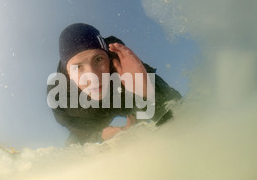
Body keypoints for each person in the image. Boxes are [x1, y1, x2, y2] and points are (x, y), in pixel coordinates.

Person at [47, 23, 182, 145]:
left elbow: (180, 109)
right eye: (78, 67)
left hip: (123, 99)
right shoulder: (61, 96)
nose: (93, 77)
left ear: (109, 58)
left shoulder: (124, 64)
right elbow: (76, 129)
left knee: (152, 111)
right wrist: (99, 135)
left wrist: (146, 91)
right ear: (68, 73)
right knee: (74, 144)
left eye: (98, 59)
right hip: (92, 115)